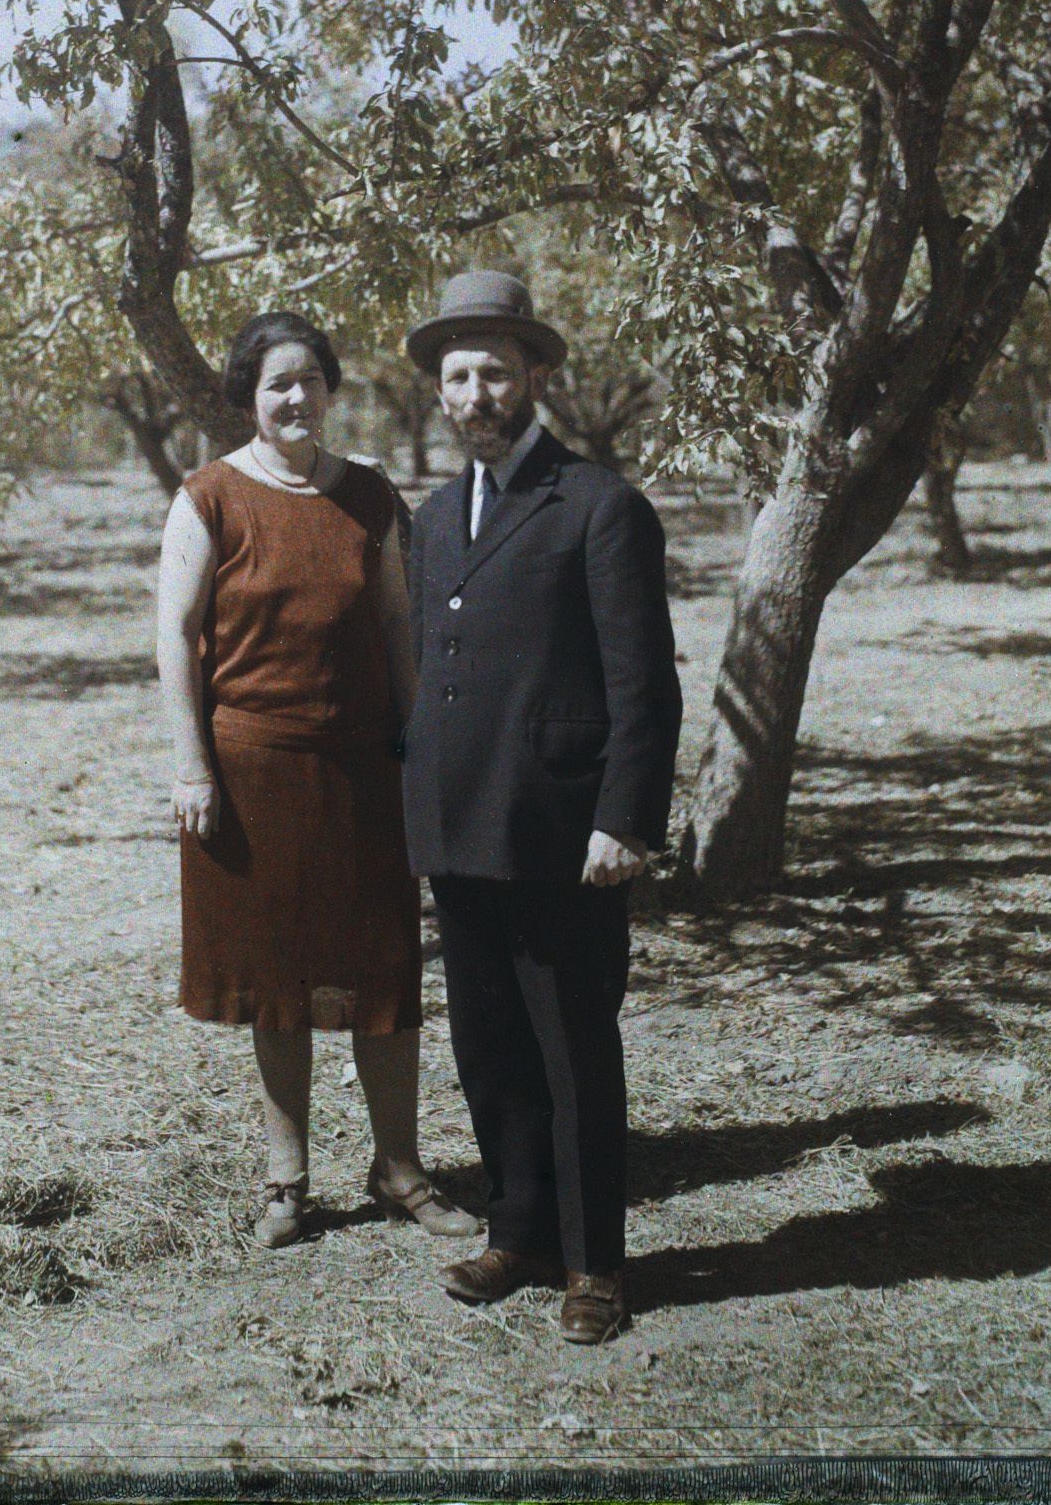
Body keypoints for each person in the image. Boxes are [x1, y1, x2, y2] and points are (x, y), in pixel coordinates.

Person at [156, 310, 480, 1251]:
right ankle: (286, 1180)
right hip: (251, 771)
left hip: (364, 767)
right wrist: (192, 766)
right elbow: (175, 636)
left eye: (309, 380)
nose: (295, 398)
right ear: (248, 398)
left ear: (331, 389)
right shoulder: (208, 497)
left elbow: (397, 627)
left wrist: (419, 745)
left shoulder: (370, 496)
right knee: (276, 981)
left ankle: (399, 1169)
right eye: (276, 385)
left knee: (383, 971)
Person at [401, 271, 681, 1342]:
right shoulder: (435, 518)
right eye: (457, 377)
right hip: (459, 826)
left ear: (538, 378)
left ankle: (593, 1264)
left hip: (563, 832)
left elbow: (642, 683)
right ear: (439, 391)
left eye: (495, 373)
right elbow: (437, 673)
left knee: (572, 1052)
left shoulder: (599, 505)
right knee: (488, 1045)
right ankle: (516, 1232)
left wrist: (625, 817)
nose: (475, 394)